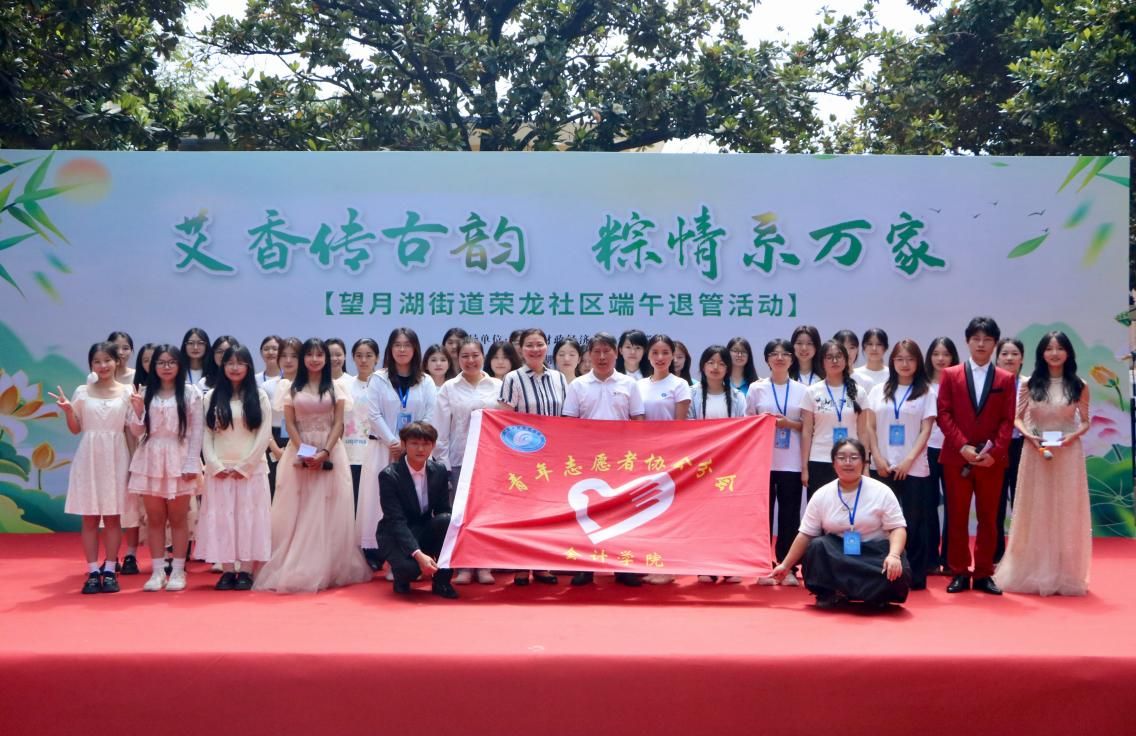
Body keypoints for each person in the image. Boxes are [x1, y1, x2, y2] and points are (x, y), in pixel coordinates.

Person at [255, 338, 372, 593]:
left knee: (330, 507)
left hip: (331, 452)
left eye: (320, 355)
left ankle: (329, 565)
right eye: (310, 355)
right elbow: (290, 424)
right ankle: (297, 563)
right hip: (299, 451)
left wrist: (325, 452)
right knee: (300, 508)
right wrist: (306, 453)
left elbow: (338, 423)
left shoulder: (337, 388)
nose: (315, 359)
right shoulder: (290, 388)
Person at [994, 331, 1091, 596]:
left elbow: (1085, 421)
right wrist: (1029, 436)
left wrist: (1073, 436)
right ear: (1041, 353)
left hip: (1068, 453)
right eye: (1049, 348)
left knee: (1065, 510)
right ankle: (1031, 568)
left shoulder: (1079, 384)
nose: (1054, 353)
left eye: (1060, 348)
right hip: (1036, 452)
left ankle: (1064, 571)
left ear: (1068, 353)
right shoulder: (1030, 384)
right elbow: (1017, 418)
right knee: (1035, 508)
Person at [770, 439, 911, 609]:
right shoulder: (822, 495)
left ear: (864, 462)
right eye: (842, 458)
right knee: (817, 546)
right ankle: (830, 594)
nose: (848, 462)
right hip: (838, 553)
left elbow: (897, 528)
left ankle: (875, 596)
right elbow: (805, 534)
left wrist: (894, 555)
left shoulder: (882, 491)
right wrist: (785, 566)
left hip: (873, 553)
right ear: (833, 463)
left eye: (854, 457)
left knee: (898, 567)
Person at [936, 316, 1017, 595]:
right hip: (957, 458)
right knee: (957, 517)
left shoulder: (1006, 378)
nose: (981, 344)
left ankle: (983, 572)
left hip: (991, 460)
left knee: (989, 518)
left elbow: (1008, 419)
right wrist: (962, 446)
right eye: (976, 339)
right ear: (967, 341)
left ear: (995, 343)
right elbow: (944, 414)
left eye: (987, 340)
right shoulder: (950, 374)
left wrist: (995, 451)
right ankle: (959, 571)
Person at [563, 332, 645, 587]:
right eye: (596, 351)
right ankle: (585, 567)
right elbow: (568, 424)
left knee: (622, 513)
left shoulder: (629, 384)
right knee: (585, 513)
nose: (601, 357)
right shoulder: (578, 385)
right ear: (588, 355)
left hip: (621, 460)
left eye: (607, 351)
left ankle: (623, 567)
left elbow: (638, 421)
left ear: (616, 353)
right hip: (587, 460)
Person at [50, 342, 133, 594]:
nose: (103, 365)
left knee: (113, 517)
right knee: (89, 518)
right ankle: (93, 571)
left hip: (116, 455)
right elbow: (76, 429)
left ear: (117, 362)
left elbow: (135, 429)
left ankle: (110, 570)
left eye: (107, 360)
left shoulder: (128, 391)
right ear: (91, 365)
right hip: (89, 457)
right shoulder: (82, 392)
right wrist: (68, 410)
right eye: (97, 361)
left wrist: (140, 410)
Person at [357, 328, 437, 571]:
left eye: (407, 345)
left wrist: (409, 444)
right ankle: (381, 553)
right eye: (397, 345)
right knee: (380, 503)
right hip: (383, 449)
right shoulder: (378, 378)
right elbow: (373, 414)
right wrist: (394, 442)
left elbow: (430, 415)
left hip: (416, 451)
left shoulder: (426, 381)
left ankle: (405, 559)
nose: (402, 350)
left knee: (411, 501)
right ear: (390, 349)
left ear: (415, 349)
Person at [127, 344, 204, 592]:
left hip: (179, 457)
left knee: (179, 518)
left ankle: (179, 570)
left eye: (171, 362)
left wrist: (192, 462)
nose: (166, 367)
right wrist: (138, 411)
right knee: (155, 518)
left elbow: (197, 432)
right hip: (150, 457)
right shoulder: (144, 392)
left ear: (179, 365)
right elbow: (137, 431)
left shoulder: (191, 393)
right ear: (153, 366)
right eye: (161, 362)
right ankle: (158, 571)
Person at [198, 344, 273, 591]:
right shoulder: (210, 397)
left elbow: (264, 435)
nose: (235, 368)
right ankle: (228, 570)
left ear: (249, 367)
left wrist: (245, 466)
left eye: (240, 363)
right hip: (219, 471)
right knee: (222, 520)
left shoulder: (259, 396)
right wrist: (214, 465)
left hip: (251, 471)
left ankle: (247, 570)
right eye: (230, 363)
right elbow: (206, 434)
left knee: (249, 519)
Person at [863, 339, 936, 590]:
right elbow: (870, 427)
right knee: (882, 523)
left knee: (914, 522)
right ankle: (883, 572)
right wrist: (876, 457)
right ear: (892, 361)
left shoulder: (926, 392)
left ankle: (914, 575)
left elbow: (926, 430)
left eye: (910, 359)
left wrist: (908, 460)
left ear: (918, 362)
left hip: (913, 467)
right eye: (900, 359)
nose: (905, 364)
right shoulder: (878, 390)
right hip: (882, 466)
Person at [498, 328, 567, 585]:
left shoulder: (559, 378)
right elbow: (505, 421)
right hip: (523, 457)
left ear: (547, 347)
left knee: (547, 511)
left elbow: (566, 417)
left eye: (540, 344)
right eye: (529, 345)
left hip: (552, 458)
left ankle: (542, 564)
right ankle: (520, 565)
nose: (535, 349)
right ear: (521, 349)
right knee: (522, 512)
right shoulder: (512, 379)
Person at [433, 337, 501, 585]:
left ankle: (484, 565)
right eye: (465, 356)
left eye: (475, 355)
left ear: (483, 357)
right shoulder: (449, 388)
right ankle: (463, 566)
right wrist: (443, 466)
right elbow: (441, 431)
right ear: (457, 358)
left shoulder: (498, 385)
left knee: (486, 513)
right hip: (459, 459)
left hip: (490, 461)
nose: (470, 360)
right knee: (459, 514)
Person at [748, 339, 810, 587]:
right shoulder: (757, 388)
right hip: (763, 461)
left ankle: (788, 567)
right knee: (762, 516)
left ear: (792, 359)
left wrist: (787, 424)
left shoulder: (802, 390)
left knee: (789, 516)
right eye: (774, 354)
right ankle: (763, 565)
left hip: (791, 462)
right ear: (767, 359)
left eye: (785, 354)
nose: (780, 358)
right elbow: (748, 423)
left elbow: (808, 426)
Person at [376, 421, 458, 599]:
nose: (420, 449)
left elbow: (443, 511)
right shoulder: (389, 475)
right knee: (410, 569)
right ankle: (401, 576)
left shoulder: (439, 471)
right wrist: (419, 555)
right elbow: (396, 521)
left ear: (433, 446)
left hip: (424, 528)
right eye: (414, 443)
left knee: (447, 519)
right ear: (404, 444)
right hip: (396, 534)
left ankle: (442, 582)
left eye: (426, 444)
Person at [801, 340, 866, 499]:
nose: (835, 361)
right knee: (820, 509)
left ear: (846, 360)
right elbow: (806, 431)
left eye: (839, 356)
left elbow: (863, 432)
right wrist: (805, 467)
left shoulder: (859, 392)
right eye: (829, 357)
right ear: (822, 362)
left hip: (850, 461)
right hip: (819, 459)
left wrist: (865, 465)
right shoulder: (812, 391)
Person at [924, 336, 959, 575]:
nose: (941, 358)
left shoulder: (960, 383)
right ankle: (930, 559)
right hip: (925, 450)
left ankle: (950, 558)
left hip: (953, 449)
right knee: (928, 506)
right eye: (936, 354)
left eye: (946, 354)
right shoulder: (922, 384)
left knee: (954, 506)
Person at [994, 337, 1026, 563]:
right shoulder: (991, 383)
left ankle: (1020, 555)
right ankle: (996, 554)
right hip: (997, 447)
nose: (1009, 358)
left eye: (1014, 354)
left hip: (1023, 447)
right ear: (997, 358)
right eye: (1004, 354)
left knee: (1021, 502)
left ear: (1022, 358)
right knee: (995, 503)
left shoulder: (1029, 384)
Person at [343, 338, 379, 512]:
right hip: (349, 452)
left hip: (376, 451)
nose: (363, 360)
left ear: (377, 358)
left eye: (369, 355)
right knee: (352, 503)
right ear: (353, 358)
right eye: (359, 356)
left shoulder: (384, 384)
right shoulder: (345, 385)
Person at [263, 337, 300, 500]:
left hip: (301, 440)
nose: (288, 360)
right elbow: (263, 423)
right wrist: (275, 450)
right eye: (284, 356)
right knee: (274, 491)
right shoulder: (267, 387)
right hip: (274, 441)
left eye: (294, 356)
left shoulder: (309, 386)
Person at [689, 345, 746, 419]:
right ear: (703, 367)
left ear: (727, 369)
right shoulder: (691, 394)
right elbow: (687, 423)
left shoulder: (738, 397)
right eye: (711, 362)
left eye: (721, 364)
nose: (715, 367)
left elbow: (744, 423)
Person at [852, 328, 889, 394]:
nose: (874, 348)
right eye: (870, 344)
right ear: (864, 347)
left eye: (879, 344)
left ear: (885, 347)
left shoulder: (892, 375)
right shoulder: (854, 374)